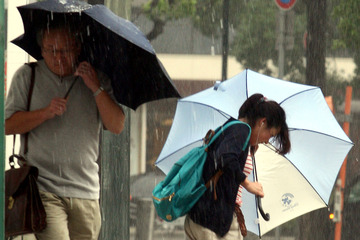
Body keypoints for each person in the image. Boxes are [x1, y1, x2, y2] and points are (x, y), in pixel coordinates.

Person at [5, 21, 125, 240]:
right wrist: (45, 113)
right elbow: (8, 125)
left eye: (65, 50)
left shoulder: (97, 78)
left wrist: (95, 88)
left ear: (77, 47)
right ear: (41, 50)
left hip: (86, 191)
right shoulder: (27, 76)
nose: (58, 57)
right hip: (43, 188)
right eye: (50, 50)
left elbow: (117, 126)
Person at [184, 93, 291, 240]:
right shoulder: (241, 130)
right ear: (262, 122)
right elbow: (225, 158)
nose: (267, 141)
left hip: (207, 216)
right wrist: (247, 184)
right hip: (212, 220)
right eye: (270, 135)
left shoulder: (233, 130)